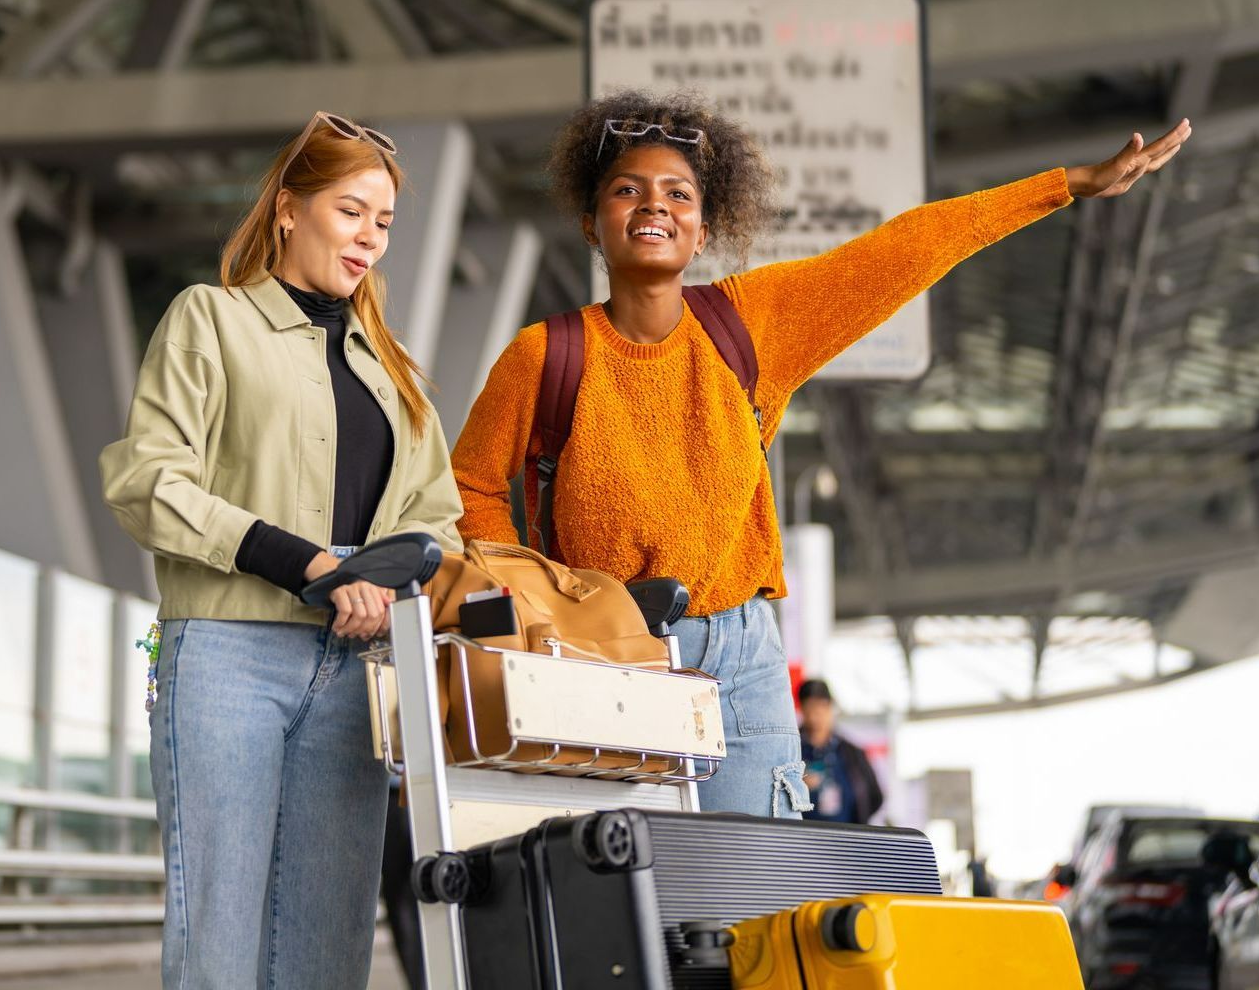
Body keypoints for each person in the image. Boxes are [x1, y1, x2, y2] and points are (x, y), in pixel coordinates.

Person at [451, 89, 1190, 819]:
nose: (654, 206)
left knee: (755, 893)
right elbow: (472, 486)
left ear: (701, 230)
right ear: (591, 223)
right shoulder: (543, 355)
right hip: (603, 650)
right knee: (632, 897)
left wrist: (1065, 186)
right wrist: (535, 603)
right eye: (627, 191)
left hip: (739, 657)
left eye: (678, 193)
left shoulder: (749, 323)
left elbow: (905, 249)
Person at [99, 111, 463, 990]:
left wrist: (383, 579)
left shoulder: (394, 370)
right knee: (214, 940)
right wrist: (308, 564)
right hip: (225, 655)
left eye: (383, 221)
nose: (370, 237)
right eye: (351, 211)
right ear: (290, 209)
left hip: (355, 669)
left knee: (328, 949)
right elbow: (147, 480)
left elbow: (437, 518)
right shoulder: (210, 320)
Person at [798, 679, 883, 824]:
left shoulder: (853, 753)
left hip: (846, 837)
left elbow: (875, 797)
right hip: (800, 837)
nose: (814, 718)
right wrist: (797, 786)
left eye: (820, 709)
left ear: (831, 708)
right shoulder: (792, 751)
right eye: (809, 710)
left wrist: (858, 825)